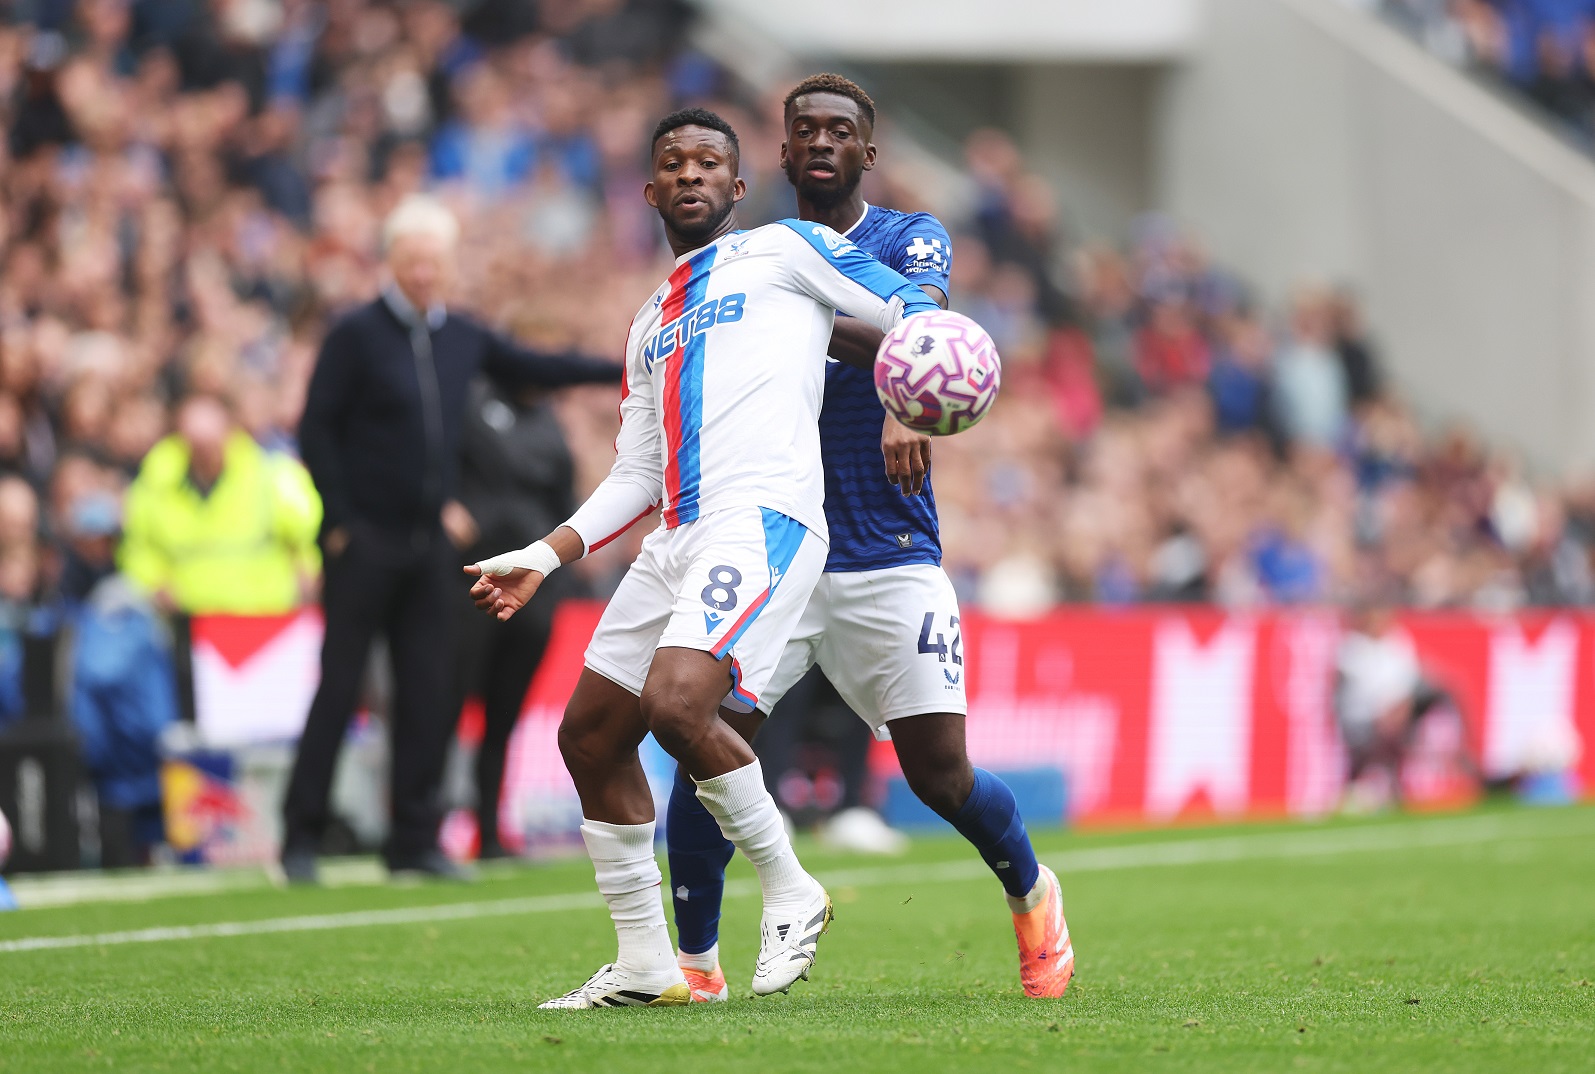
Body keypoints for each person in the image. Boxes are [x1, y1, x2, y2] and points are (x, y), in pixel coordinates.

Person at [466, 107, 940, 1008]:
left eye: (708, 163)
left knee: (677, 703)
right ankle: (647, 963)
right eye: (672, 164)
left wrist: (914, 393)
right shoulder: (651, 318)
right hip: (674, 537)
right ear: (650, 192)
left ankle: (792, 889)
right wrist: (544, 552)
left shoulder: (786, 248)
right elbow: (637, 469)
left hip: (762, 519)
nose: (689, 175)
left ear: (734, 184)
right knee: (589, 736)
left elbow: (907, 305)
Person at [662, 74, 1074, 1003]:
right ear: (779, 152)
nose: (819, 140)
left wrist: (904, 387)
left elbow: (925, 313)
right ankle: (695, 965)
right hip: (782, 549)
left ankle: (1031, 890)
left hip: (889, 550)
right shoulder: (755, 254)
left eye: (837, 130)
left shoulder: (907, 234)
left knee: (940, 774)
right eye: (802, 128)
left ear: (866, 153)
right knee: (706, 741)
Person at [282, 195, 621, 885]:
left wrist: (625, 365)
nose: (424, 274)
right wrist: (339, 519)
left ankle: (413, 838)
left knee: (429, 692)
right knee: (341, 688)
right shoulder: (355, 335)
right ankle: (301, 837)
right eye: (413, 262)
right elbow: (317, 429)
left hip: (428, 549)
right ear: (391, 262)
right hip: (364, 543)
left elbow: (534, 365)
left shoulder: (461, 335)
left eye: (435, 263)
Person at [119, 393, 321, 615]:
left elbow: (307, 539)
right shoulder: (156, 480)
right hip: (185, 620)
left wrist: (308, 575)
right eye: (196, 444)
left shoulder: (270, 475)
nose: (205, 454)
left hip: (264, 618)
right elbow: (136, 546)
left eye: (210, 443)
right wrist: (154, 582)